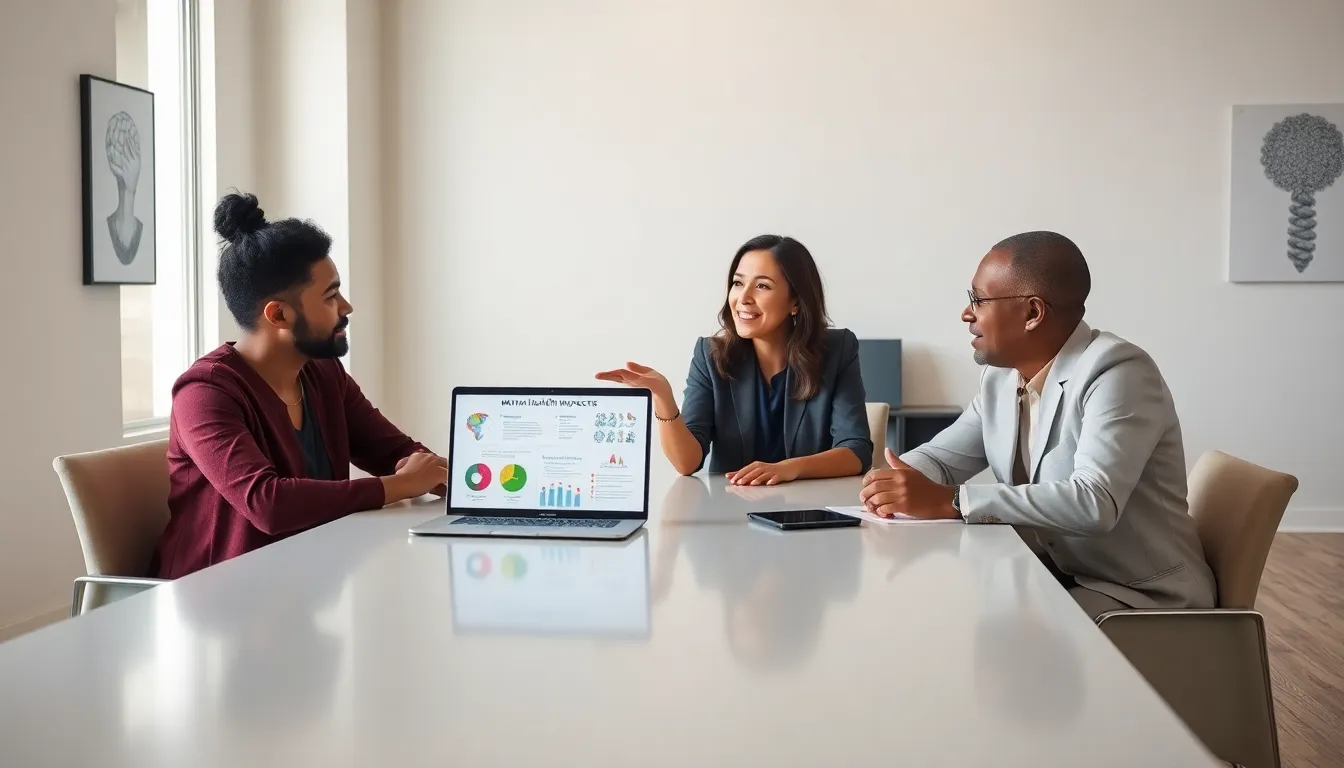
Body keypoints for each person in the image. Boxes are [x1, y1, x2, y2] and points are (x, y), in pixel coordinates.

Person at [858, 231, 1215, 617]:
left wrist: (952, 501)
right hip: (1056, 572)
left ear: (1032, 313)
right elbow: (942, 459)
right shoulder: (1001, 379)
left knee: (985, 630)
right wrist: (890, 482)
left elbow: (1095, 502)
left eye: (978, 300)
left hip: (1138, 593)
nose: (966, 313)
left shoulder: (1117, 372)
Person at [150, 192, 447, 579]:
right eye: (330, 296)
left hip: (306, 582)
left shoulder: (323, 374)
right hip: (216, 598)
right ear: (279, 314)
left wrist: (458, 482)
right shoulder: (205, 393)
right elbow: (267, 504)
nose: (347, 307)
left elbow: (396, 451)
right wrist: (400, 485)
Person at [597, 235, 872, 485]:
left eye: (762, 286)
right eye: (738, 283)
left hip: (810, 515)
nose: (743, 297)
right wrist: (664, 399)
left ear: (795, 302)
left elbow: (856, 450)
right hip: (731, 513)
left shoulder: (838, 350)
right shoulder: (710, 355)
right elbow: (687, 463)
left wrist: (790, 469)